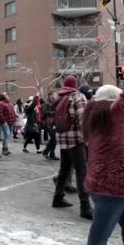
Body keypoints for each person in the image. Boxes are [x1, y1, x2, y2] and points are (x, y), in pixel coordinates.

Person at [84, 48, 124, 245]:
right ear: (113, 102)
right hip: (110, 187)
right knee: (100, 236)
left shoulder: (100, 117)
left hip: (120, 185)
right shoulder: (110, 116)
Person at [52, 76, 92, 220]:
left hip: (63, 139)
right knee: (82, 172)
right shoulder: (78, 97)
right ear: (75, 85)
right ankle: (85, 207)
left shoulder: (61, 98)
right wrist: (88, 138)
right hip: (76, 139)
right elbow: (83, 120)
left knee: (64, 169)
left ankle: (58, 198)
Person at [41, 92, 59, 160]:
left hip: (53, 123)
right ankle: (46, 152)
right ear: (50, 95)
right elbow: (44, 113)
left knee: (53, 139)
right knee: (53, 139)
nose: (56, 95)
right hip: (48, 123)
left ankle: (51, 154)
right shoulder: (46, 103)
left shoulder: (54, 103)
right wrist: (53, 112)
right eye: (54, 94)